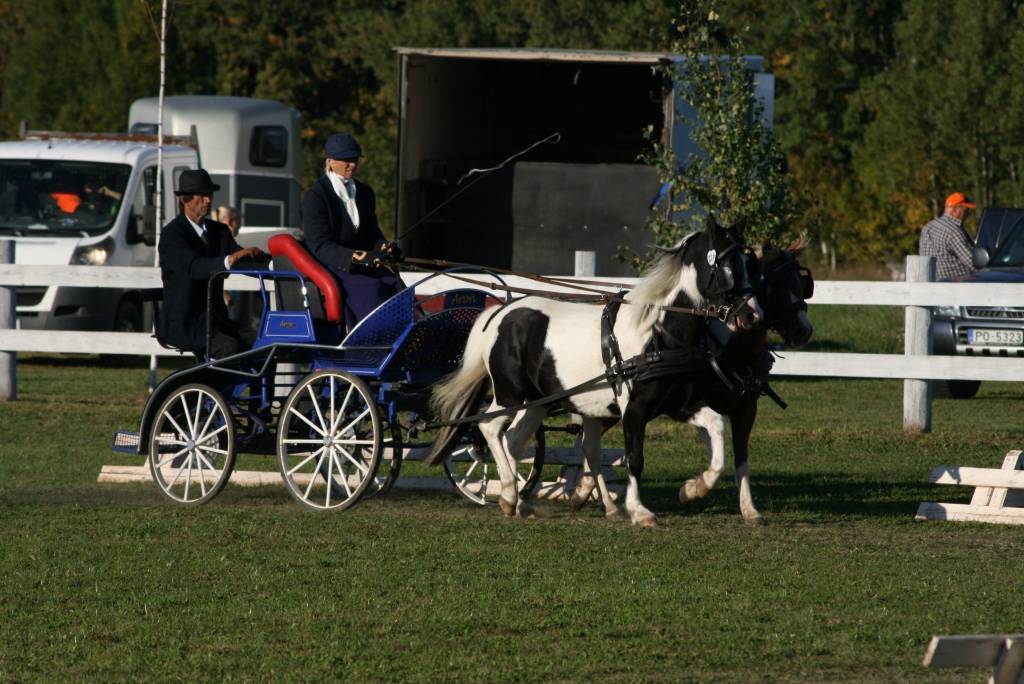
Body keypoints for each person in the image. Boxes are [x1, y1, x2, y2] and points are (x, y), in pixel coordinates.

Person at [157, 169, 264, 360]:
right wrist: (229, 260)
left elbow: (242, 260)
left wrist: (275, 266)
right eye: (202, 195)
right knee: (230, 348)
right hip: (186, 323)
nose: (208, 200)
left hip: (217, 321)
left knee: (264, 347)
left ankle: (262, 391)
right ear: (185, 199)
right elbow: (193, 268)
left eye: (210, 195)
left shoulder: (220, 231)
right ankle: (222, 390)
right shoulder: (172, 234)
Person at [302, 132, 401, 330]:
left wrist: (383, 246)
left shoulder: (365, 192)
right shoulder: (315, 196)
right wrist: (354, 256)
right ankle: (366, 346)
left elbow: (372, 234)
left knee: (395, 284)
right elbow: (320, 245)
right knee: (372, 288)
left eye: (354, 159)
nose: (352, 165)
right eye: (346, 160)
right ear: (330, 162)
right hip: (334, 265)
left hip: (362, 264)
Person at [919, 191, 977, 280]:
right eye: (965, 209)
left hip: (932, 282)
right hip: (956, 285)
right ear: (955, 209)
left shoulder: (927, 227)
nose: (968, 213)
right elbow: (974, 263)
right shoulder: (954, 231)